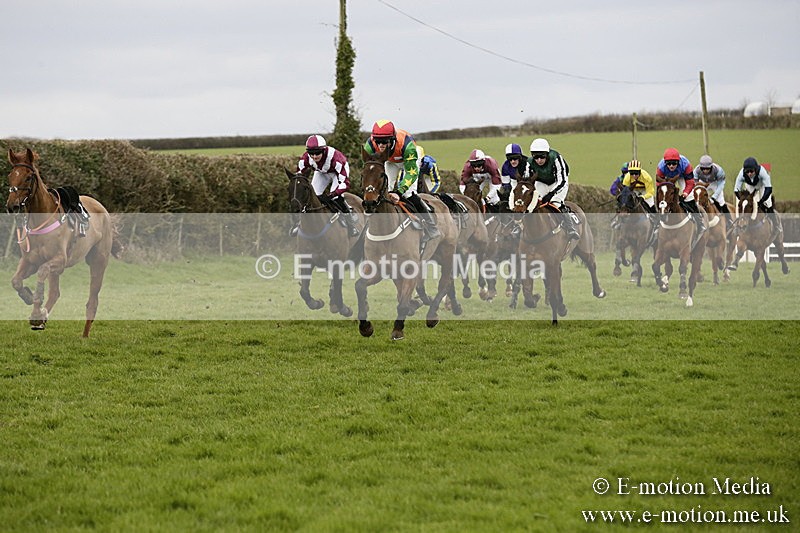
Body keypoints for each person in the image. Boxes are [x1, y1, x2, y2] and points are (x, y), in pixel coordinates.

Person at [363, 120, 440, 240]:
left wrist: (399, 191)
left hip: (409, 160)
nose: (381, 145)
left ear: (392, 139)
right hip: (390, 161)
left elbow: (412, 173)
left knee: (408, 193)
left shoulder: (407, 146)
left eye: (384, 141)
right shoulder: (370, 145)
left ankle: (431, 225)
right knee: (385, 190)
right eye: (378, 141)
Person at [295, 134, 359, 237]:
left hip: (336, 173)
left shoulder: (336, 159)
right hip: (321, 172)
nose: (314, 157)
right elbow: (299, 173)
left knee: (336, 197)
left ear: (324, 150)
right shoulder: (306, 158)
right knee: (311, 196)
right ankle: (300, 223)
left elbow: (345, 184)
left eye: (317, 153)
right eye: (312, 154)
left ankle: (350, 220)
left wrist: (331, 194)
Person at [528, 137, 579, 240]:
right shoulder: (529, 162)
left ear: (547, 154)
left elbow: (563, 180)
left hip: (557, 182)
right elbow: (528, 181)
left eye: (542, 157)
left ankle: (570, 228)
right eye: (536, 157)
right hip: (541, 182)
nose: (539, 160)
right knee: (533, 204)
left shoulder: (556, 157)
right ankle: (519, 228)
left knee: (555, 203)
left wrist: (551, 194)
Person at [656, 147, 706, 248]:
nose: (671, 166)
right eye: (669, 164)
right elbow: (658, 184)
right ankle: (657, 223)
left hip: (682, 177)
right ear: (665, 163)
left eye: (674, 163)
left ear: (678, 162)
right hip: (666, 179)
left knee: (689, 197)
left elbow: (690, 183)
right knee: (662, 199)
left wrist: (685, 193)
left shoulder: (686, 165)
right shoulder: (661, 167)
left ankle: (699, 223)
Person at [734, 156, 782, 236]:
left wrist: (762, 201)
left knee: (768, 204)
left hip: (762, 185)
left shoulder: (762, 172)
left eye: (751, 171)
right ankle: (738, 225)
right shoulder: (741, 174)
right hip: (750, 185)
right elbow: (736, 190)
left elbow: (769, 189)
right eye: (747, 172)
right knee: (742, 204)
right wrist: (742, 199)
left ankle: (776, 226)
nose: (749, 174)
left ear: (756, 170)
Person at [621, 159, 657, 242]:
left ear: (640, 172)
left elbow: (650, 192)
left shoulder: (647, 177)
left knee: (650, 204)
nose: (634, 175)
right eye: (632, 173)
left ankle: (656, 221)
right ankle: (619, 221)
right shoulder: (627, 178)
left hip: (645, 191)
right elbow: (625, 192)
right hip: (634, 190)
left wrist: (643, 197)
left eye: (636, 173)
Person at [693, 154, 731, 225]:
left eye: (707, 168)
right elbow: (695, 184)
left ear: (711, 166)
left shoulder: (719, 170)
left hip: (715, 182)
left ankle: (729, 220)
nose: (705, 170)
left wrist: (714, 196)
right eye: (703, 169)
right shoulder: (696, 171)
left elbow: (721, 184)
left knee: (721, 200)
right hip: (702, 182)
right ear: (700, 167)